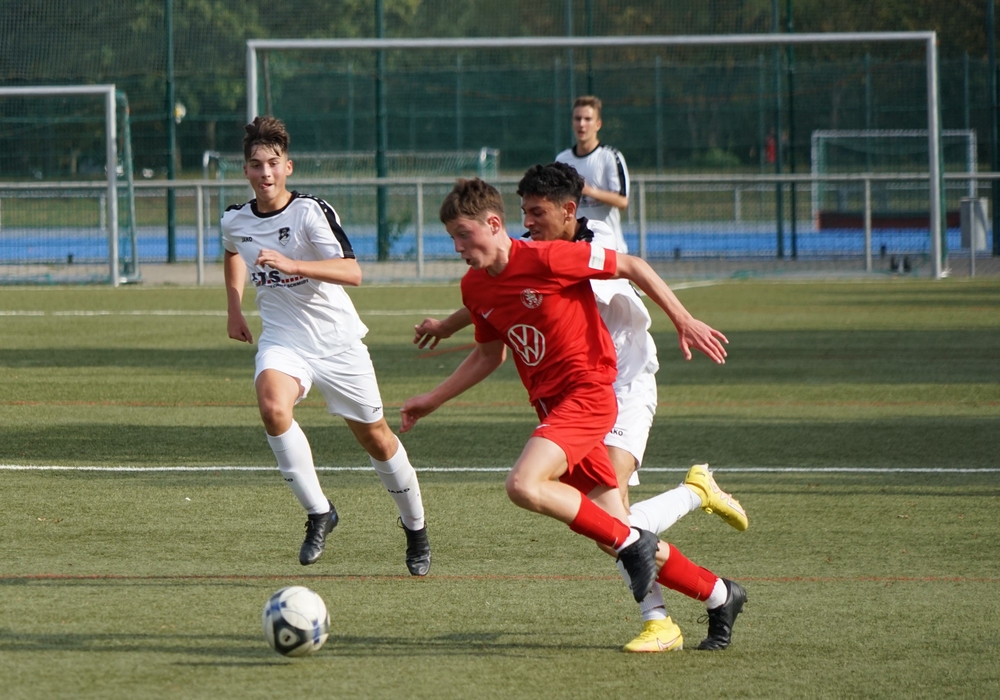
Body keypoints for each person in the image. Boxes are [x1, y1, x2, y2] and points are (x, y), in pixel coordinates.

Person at [411, 163, 748, 652]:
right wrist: (430, 399)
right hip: (552, 407)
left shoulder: (554, 255)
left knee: (525, 485)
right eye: (452, 239)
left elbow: (632, 265)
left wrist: (683, 318)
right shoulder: (476, 285)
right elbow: (488, 353)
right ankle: (719, 594)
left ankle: (649, 572)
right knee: (615, 530)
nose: (458, 248)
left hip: (592, 394)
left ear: (492, 224)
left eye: (464, 235)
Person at [221, 115, 430, 575]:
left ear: (288, 167)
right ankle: (320, 512)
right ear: (246, 170)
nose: (265, 173)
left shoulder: (310, 211)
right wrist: (234, 307)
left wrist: (294, 263)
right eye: (256, 164)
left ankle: (415, 528)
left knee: (376, 438)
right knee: (272, 407)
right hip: (283, 339)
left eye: (273, 163)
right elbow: (233, 250)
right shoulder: (235, 219)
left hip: (337, 343)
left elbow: (352, 272)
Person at [556, 96, 630, 253]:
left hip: (609, 248)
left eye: (587, 119)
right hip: (576, 248)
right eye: (577, 119)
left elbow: (622, 201)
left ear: (598, 124)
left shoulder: (610, 156)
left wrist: (589, 191)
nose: (582, 124)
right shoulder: (562, 159)